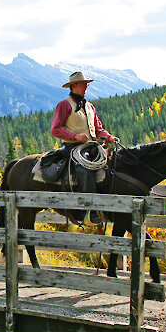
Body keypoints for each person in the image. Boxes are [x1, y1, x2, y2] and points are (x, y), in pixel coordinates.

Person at [50, 71, 118, 222]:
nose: (86, 86)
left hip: (92, 146)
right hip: (74, 148)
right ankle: (86, 211)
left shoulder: (89, 106)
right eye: (83, 83)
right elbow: (55, 129)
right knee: (86, 169)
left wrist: (109, 137)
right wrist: (75, 136)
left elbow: (98, 129)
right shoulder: (64, 105)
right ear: (74, 85)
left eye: (87, 84)